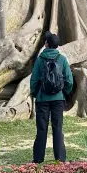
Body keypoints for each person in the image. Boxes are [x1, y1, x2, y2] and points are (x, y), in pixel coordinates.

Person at [30, 31, 74, 163]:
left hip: (42, 99)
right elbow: (69, 81)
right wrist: (64, 92)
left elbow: (34, 80)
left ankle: (38, 160)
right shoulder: (62, 59)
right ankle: (60, 159)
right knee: (58, 129)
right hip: (58, 100)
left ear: (46, 44)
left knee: (42, 129)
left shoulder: (39, 60)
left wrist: (35, 94)